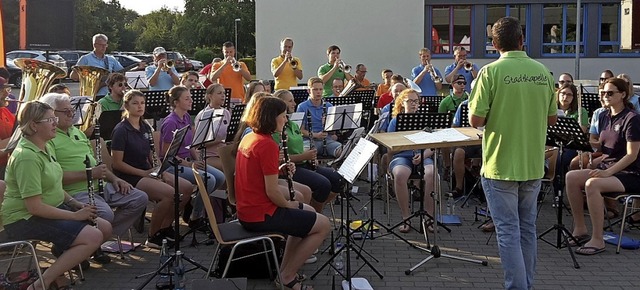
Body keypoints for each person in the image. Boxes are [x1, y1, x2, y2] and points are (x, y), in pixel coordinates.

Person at [468, 17, 556, 290]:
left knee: (508, 231)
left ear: (494, 44)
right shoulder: (542, 71)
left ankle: (518, 287)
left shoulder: (490, 72)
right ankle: (526, 284)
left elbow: (475, 120)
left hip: (501, 163)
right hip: (532, 162)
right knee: (527, 229)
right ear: (522, 40)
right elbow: (552, 119)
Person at [2, 101, 108, 290]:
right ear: (34, 125)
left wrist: (75, 203)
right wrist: (75, 216)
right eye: (50, 119)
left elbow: (54, 186)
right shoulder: (27, 156)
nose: (55, 123)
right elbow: (34, 207)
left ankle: (62, 258)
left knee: (104, 227)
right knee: (92, 236)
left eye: (54, 118)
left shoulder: (46, 146)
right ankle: (43, 283)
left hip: (49, 209)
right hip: (24, 219)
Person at [40, 92, 149, 264]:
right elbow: (54, 178)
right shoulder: (49, 138)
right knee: (105, 214)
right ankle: (84, 244)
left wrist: (115, 179)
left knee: (139, 198)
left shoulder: (77, 132)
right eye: (66, 111)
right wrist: (90, 174)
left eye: (72, 110)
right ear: (52, 113)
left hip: (99, 185)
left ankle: (87, 242)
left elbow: (97, 166)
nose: (72, 114)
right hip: (75, 192)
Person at [235, 96, 330, 290]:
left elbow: (257, 173)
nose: (286, 120)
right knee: (324, 225)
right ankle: (287, 277)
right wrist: (289, 205)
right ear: (271, 117)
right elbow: (272, 191)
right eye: (283, 116)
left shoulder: (250, 137)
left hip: (247, 209)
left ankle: (285, 270)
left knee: (309, 212)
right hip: (260, 213)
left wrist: (280, 169)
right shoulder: (267, 144)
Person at [566, 77, 640, 256]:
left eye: (610, 93)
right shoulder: (605, 116)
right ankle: (580, 228)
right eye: (603, 93)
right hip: (610, 168)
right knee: (571, 177)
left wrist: (606, 172)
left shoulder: (632, 119)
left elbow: (632, 154)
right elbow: (607, 147)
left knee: (592, 183)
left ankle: (598, 239)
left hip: (631, 173)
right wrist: (590, 151)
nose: (605, 96)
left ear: (623, 94)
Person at [110, 90, 192, 248]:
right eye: (135, 103)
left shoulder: (145, 127)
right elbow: (117, 164)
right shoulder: (121, 130)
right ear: (126, 106)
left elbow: (150, 154)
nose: (140, 106)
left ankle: (165, 227)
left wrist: (158, 171)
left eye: (142, 103)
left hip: (147, 171)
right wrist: (145, 174)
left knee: (186, 188)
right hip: (130, 176)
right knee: (169, 194)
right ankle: (153, 236)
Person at [159, 86, 226, 226]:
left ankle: (194, 203)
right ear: (176, 102)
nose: (191, 100)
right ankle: (196, 216)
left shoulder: (186, 117)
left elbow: (192, 145)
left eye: (190, 97)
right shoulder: (171, 122)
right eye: (187, 98)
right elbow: (166, 155)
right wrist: (189, 164)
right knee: (209, 180)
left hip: (188, 162)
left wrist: (197, 160)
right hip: (173, 166)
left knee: (220, 177)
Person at [274, 89, 342, 213]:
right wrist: (304, 156)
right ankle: (314, 214)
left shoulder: (293, 124)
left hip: (304, 163)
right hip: (290, 168)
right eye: (290, 101)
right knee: (323, 185)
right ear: (281, 104)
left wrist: (311, 157)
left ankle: (313, 207)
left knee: (338, 179)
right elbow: (279, 159)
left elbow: (300, 144)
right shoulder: (276, 127)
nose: (294, 103)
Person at [386, 89, 435, 233]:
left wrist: (423, 155)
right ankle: (406, 218)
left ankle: (429, 217)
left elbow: (433, 146)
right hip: (402, 156)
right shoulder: (395, 121)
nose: (414, 104)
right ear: (402, 103)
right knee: (400, 175)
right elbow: (390, 148)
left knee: (431, 174)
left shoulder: (425, 120)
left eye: (416, 101)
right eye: (410, 101)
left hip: (423, 156)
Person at [296, 77, 342, 158]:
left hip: (327, 140)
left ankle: (334, 169)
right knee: (306, 154)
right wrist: (316, 135)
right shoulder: (302, 107)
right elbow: (300, 131)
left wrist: (328, 125)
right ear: (309, 91)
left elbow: (333, 133)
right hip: (309, 141)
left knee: (342, 151)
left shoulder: (328, 106)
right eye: (315, 89)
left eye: (321, 89)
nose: (318, 92)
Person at [194, 83, 231, 172]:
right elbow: (199, 144)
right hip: (208, 155)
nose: (223, 96)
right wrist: (221, 140)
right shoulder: (204, 115)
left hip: (224, 153)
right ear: (210, 96)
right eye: (219, 93)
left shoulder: (226, 112)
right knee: (230, 168)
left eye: (224, 93)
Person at [0, 77, 16, 178]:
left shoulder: (4, 111)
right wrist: (20, 135)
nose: (7, 94)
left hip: (11, 162)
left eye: (7, 90)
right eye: (2, 91)